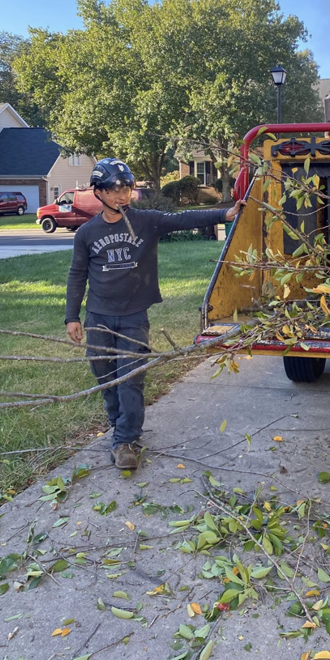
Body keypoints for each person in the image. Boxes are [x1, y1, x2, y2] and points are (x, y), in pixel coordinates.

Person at [65, 158, 244, 470]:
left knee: (130, 380)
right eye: (114, 190)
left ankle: (125, 441)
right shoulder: (87, 233)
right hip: (98, 318)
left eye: (126, 189)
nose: (121, 196)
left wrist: (223, 213)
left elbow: (182, 219)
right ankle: (119, 425)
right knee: (106, 379)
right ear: (98, 192)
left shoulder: (147, 221)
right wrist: (72, 316)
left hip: (133, 317)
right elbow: (77, 276)